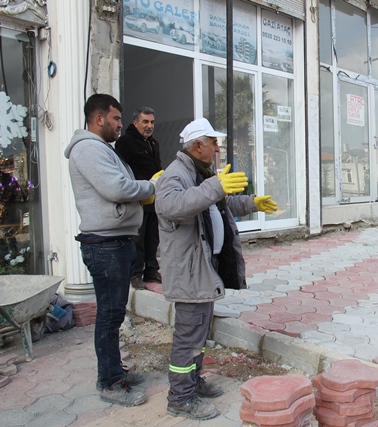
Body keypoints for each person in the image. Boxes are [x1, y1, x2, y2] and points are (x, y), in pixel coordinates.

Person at [154, 118, 277, 420]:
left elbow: (218, 206)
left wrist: (253, 203)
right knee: (188, 336)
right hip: (188, 270)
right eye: (213, 143)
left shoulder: (199, 173)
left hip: (202, 267)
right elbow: (170, 206)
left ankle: (193, 383)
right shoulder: (177, 175)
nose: (217, 148)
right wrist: (214, 186)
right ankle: (180, 398)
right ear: (198, 146)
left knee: (199, 332)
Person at [64, 94, 159, 406]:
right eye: (116, 119)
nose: (121, 125)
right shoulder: (88, 149)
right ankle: (110, 383)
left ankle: (114, 372)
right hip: (104, 245)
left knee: (114, 313)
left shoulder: (101, 149)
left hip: (115, 241)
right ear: (99, 118)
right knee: (108, 315)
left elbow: (120, 184)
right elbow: (117, 188)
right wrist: (151, 187)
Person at [115, 107, 163, 289]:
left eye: (151, 122)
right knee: (138, 238)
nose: (149, 126)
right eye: (145, 122)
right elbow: (121, 170)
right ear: (135, 123)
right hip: (136, 198)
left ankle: (151, 270)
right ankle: (135, 274)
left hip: (153, 197)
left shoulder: (153, 143)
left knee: (152, 237)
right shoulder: (125, 142)